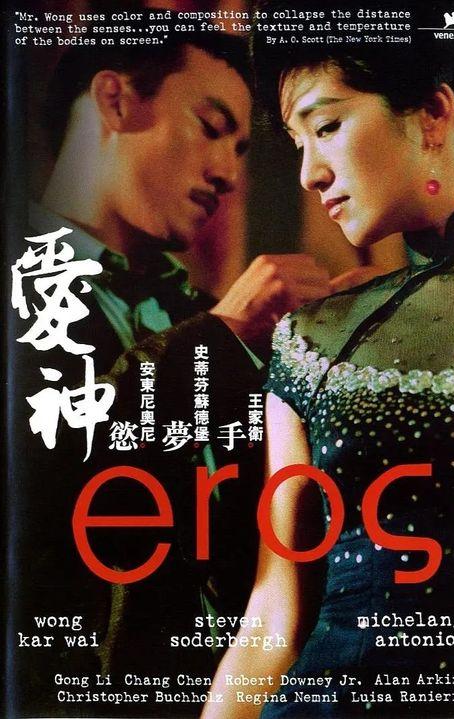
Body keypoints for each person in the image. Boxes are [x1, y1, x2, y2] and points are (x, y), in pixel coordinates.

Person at [12, 27, 342, 719]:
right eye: (211, 127)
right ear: (114, 100)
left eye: (240, 149)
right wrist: (220, 338)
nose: (227, 174)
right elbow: (51, 481)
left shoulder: (199, 314)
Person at [202, 2, 454, 717]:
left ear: (433, 112)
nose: (308, 172)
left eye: (327, 126)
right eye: (297, 142)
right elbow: (272, 621)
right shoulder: (317, 340)